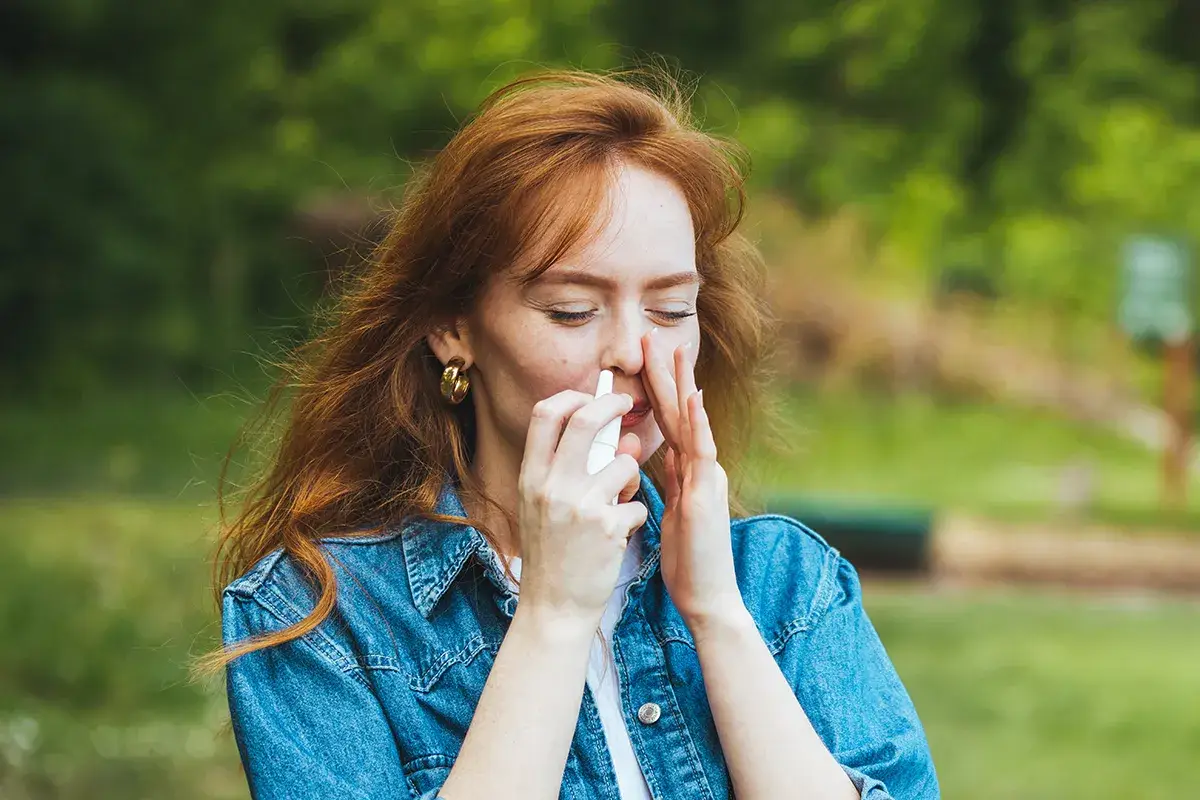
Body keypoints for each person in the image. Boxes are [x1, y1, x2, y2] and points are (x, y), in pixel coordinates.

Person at [200, 67, 939, 800]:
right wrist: (553, 614)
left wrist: (716, 612)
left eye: (672, 309)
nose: (631, 350)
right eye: (572, 311)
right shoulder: (320, 615)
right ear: (452, 329)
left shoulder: (783, 583)